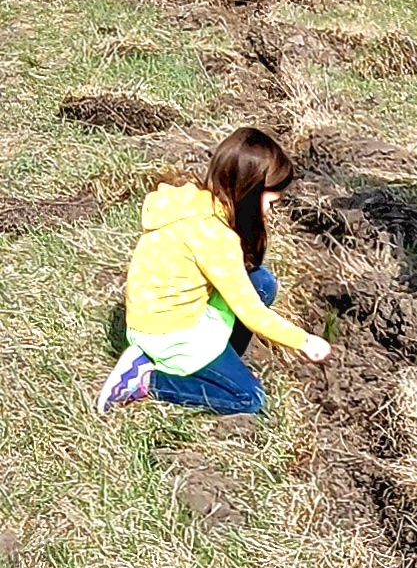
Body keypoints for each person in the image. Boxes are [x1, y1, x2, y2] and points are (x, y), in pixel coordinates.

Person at [96, 126, 331, 415]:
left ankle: (220, 363)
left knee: (261, 283)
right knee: (249, 399)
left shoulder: (193, 201)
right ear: (250, 191)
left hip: (154, 314)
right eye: (272, 201)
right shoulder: (216, 237)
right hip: (170, 333)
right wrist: (303, 341)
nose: (272, 210)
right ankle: (146, 380)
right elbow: (252, 313)